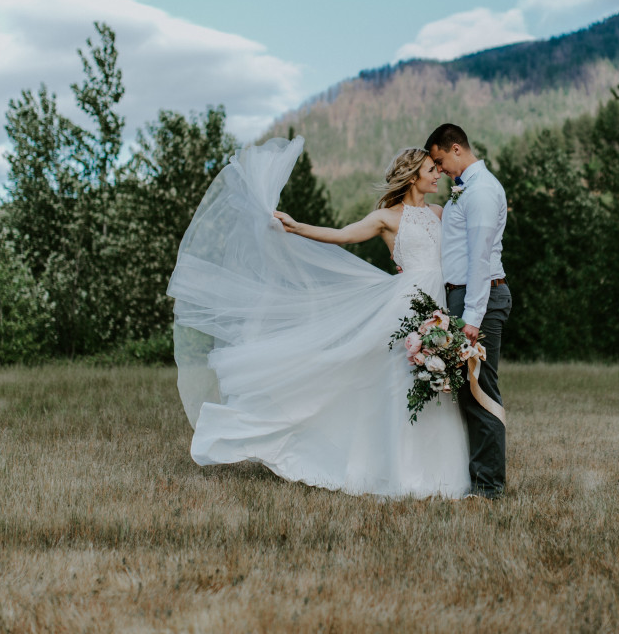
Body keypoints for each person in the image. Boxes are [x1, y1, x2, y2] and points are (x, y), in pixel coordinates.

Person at [167, 137, 471, 498]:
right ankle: (399, 473)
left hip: (440, 304)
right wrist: (297, 227)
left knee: (438, 385)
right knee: (397, 381)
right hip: (406, 307)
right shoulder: (386, 218)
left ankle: (442, 474)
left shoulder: (440, 213)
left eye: (438, 169)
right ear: (411, 177)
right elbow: (341, 235)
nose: (438, 174)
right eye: (430, 169)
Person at [425, 123, 511, 499]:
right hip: (465, 298)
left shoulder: (482, 192)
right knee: (467, 392)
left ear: (456, 148)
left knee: (480, 390)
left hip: (482, 300)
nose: (440, 170)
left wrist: (472, 319)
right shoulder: (466, 191)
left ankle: (489, 487)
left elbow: (479, 261)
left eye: (441, 161)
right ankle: (480, 478)